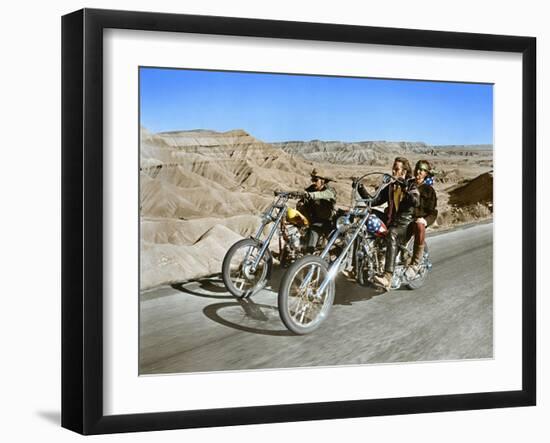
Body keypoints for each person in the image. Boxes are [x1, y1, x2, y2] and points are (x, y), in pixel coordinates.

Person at [357, 157, 420, 290]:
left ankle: (388, 277)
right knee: (365, 214)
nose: (393, 171)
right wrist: (360, 187)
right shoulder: (391, 187)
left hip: (404, 225)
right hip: (391, 220)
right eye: (393, 168)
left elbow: (415, 201)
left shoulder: (411, 185)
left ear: (404, 172)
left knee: (392, 233)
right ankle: (357, 267)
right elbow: (374, 201)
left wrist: (405, 189)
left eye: (396, 169)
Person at [404, 160, 438, 279]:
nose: (419, 172)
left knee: (419, 225)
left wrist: (425, 220)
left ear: (426, 174)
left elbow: (433, 212)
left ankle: (415, 264)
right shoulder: (407, 184)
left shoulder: (429, 190)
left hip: (416, 221)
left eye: (423, 170)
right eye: (418, 168)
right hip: (404, 219)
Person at [296, 168, 337, 253]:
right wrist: (300, 200)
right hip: (313, 220)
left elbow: (324, 195)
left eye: (315, 180)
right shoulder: (311, 189)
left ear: (323, 181)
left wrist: (310, 195)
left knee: (334, 244)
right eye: (312, 180)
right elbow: (304, 196)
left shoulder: (329, 190)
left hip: (327, 222)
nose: (313, 182)